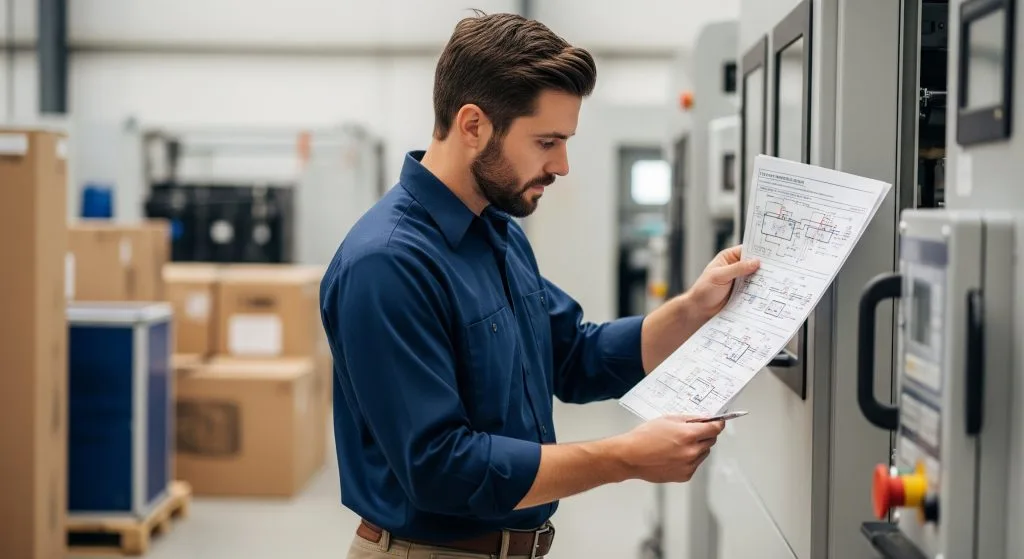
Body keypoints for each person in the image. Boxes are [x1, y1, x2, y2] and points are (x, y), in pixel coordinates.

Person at [319, 11, 761, 559]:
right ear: (474, 125)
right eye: (547, 141)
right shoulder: (387, 264)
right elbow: (441, 468)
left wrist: (693, 308)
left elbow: (574, 356)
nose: (563, 165)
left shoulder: (497, 231)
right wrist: (623, 457)